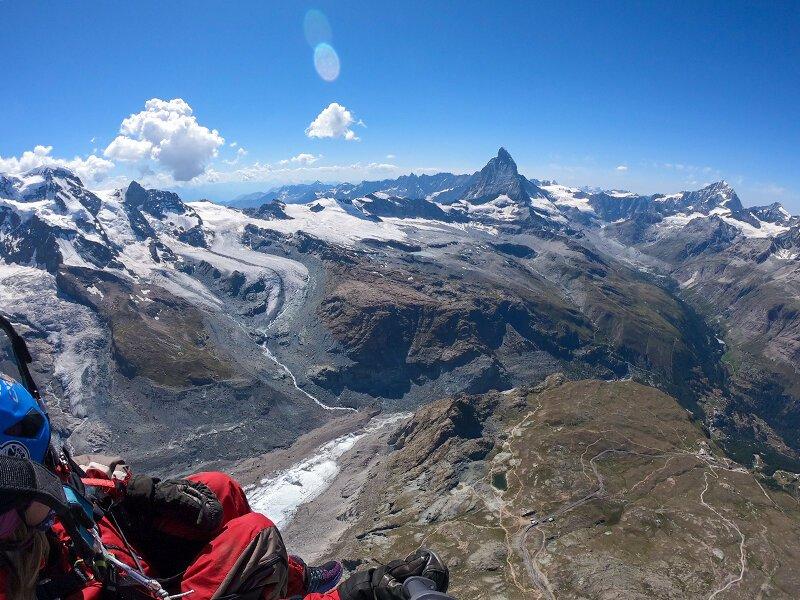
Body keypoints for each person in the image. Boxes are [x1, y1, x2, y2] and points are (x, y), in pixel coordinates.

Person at [0, 376, 450, 600]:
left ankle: (295, 581)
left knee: (221, 491)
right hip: (110, 581)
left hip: (102, 554)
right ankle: (319, 592)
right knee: (253, 540)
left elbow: (70, 484)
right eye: (42, 472)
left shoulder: (24, 513)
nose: (52, 477)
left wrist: (129, 488)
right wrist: (358, 594)